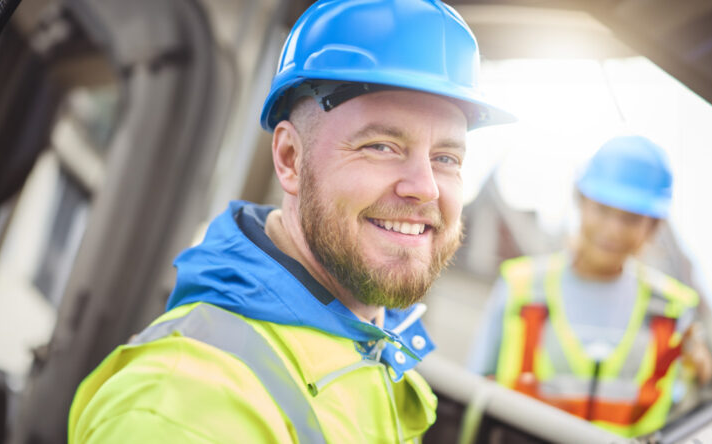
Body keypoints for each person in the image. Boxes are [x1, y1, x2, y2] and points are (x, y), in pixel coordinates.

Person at [67, 0, 515, 443]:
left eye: (446, 158)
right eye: (381, 146)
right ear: (289, 158)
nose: (426, 188)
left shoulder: (373, 349)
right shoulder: (183, 408)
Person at [467, 135, 712, 438]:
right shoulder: (521, 286)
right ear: (581, 202)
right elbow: (474, 395)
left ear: (653, 227)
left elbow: (683, 408)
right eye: (603, 210)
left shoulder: (672, 310)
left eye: (631, 219)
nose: (613, 229)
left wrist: (698, 374)